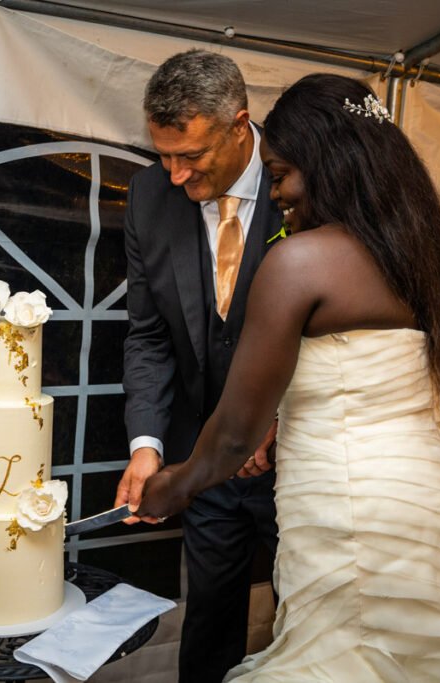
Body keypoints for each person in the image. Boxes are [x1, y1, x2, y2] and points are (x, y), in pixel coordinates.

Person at [136, 73, 440, 682]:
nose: (278, 193)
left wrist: (173, 488)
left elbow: (231, 436)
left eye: (281, 175)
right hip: (438, 503)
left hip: (354, 513)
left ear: (327, 163)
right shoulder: (419, 255)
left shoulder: (298, 262)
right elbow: (361, 380)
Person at [113, 49, 283, 683]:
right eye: (163, 154)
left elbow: (338, 332)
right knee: (209, 623)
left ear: (239, 125)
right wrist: (147, 444)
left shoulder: (308, 182)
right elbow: (149, 334)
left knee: (316, 617)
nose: (176, 174)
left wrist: (279, 422)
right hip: (203, 461)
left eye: (192, 156)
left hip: (301, 462)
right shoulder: (149, 196)